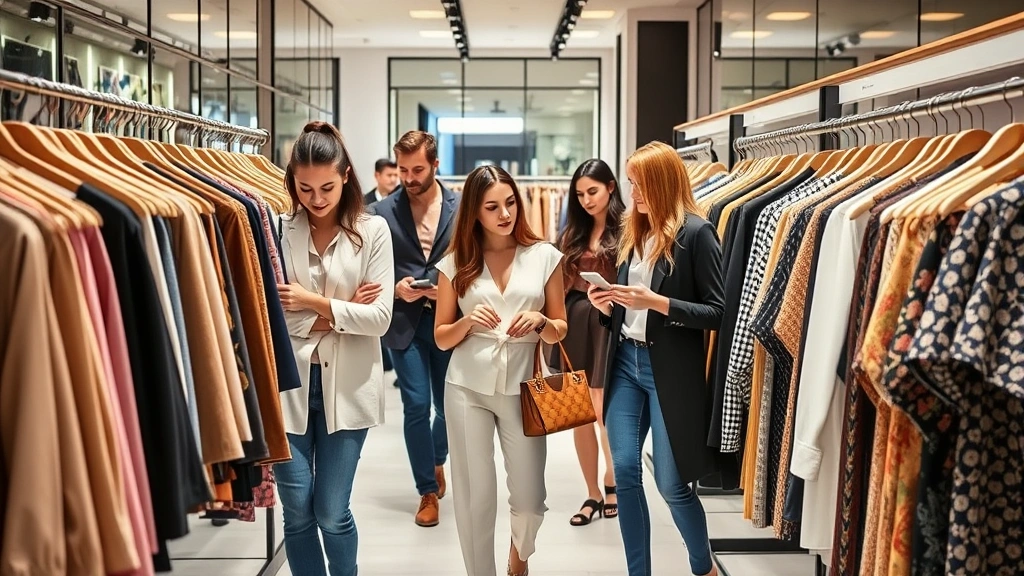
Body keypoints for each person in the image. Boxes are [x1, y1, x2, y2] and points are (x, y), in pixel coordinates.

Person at [587, 141, 724, 576]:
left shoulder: (697, 233)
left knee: (672, 484)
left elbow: (718, 313)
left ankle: (703, 568)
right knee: (626, 472)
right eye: (631, 183)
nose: (633, 193)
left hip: (670, 371)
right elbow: (629, 307)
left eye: (640, 184)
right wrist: (606, 305)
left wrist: (657, 302)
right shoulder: (634, 230)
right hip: (625, 363)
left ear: (664, 183)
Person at [434, 165, 567, 576]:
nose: (505, 213)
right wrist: (467, 322)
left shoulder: (544, 256)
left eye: (510, 203)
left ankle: (518, 558)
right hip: (466, 387)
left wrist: (541, 321)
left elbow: (560, 327)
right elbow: (441, 337)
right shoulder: (455, 263)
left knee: (530, 499)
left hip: (526, 389)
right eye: (492, 207)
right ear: (474, 211)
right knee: (475, 499)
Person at [275, 121, 394, 576]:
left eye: (327, 187)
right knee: (296, 510)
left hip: (350, 386)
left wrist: (310, 302)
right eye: (305, 188)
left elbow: (379, 319)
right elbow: (272, 317)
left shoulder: (373, 230)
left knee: (330, 509)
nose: (317, 198)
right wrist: (345, 311)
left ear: (345, 176)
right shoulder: (278, 229)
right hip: (289, 387)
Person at [367, 130, 457, 527]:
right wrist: (394, 287)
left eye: (417, 169)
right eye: (403, 169)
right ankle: (426, 490)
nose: (408, 177)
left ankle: (437, 458)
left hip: (449, 322)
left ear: (435, 164)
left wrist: (452, 290)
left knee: (450, 407)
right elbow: (368, 270)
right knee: (416, 405)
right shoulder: (379, 212)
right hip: (404, 324)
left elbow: (475, 261)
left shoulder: (461, 206)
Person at [551, 159, 626, 527]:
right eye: (579, 194)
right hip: (573, 324)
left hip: (606, 324)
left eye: (592, 191)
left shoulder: (628, 228)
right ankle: (592, 492)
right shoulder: (571, 233)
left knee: (602, 408)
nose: (586, 200)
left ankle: (613, 482)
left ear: (611, 187)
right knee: (577, 412)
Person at [362, 157, 403, 383]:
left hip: (398, 270)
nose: (393, 179)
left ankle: (397, 369)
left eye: (396, 175)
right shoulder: (363, 203)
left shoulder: (402, 202)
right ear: (377, 176)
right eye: (389, 175)